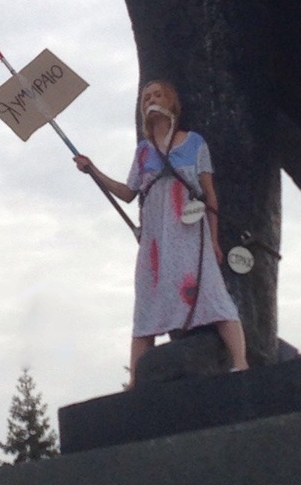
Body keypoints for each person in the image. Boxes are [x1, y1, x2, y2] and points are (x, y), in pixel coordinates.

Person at [74, 81, 248, 388]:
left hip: (191, 235)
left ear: (170, 102)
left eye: (157, 95)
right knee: (147, 304)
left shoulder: (194, 143)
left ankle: (241, 364)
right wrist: (93, 171)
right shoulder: (143, 152)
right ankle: (136, 381)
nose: (151, 100)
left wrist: (216, 240)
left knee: (212, 294)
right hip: (156, 241)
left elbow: (210, 196)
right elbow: (128, 192)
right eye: (146, 97)